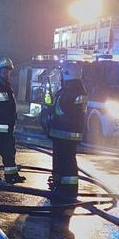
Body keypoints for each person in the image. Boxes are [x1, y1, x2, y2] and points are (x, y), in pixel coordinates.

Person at [48, 61, 87, 198]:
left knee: (67, 161)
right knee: (61, 160)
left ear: (66, 75)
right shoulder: (75, 89)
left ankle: (68, 189)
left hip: (66, 133)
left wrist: (49, 113)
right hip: (65, 133)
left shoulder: (71, 91)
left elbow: (62, 110)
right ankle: (59, 184)